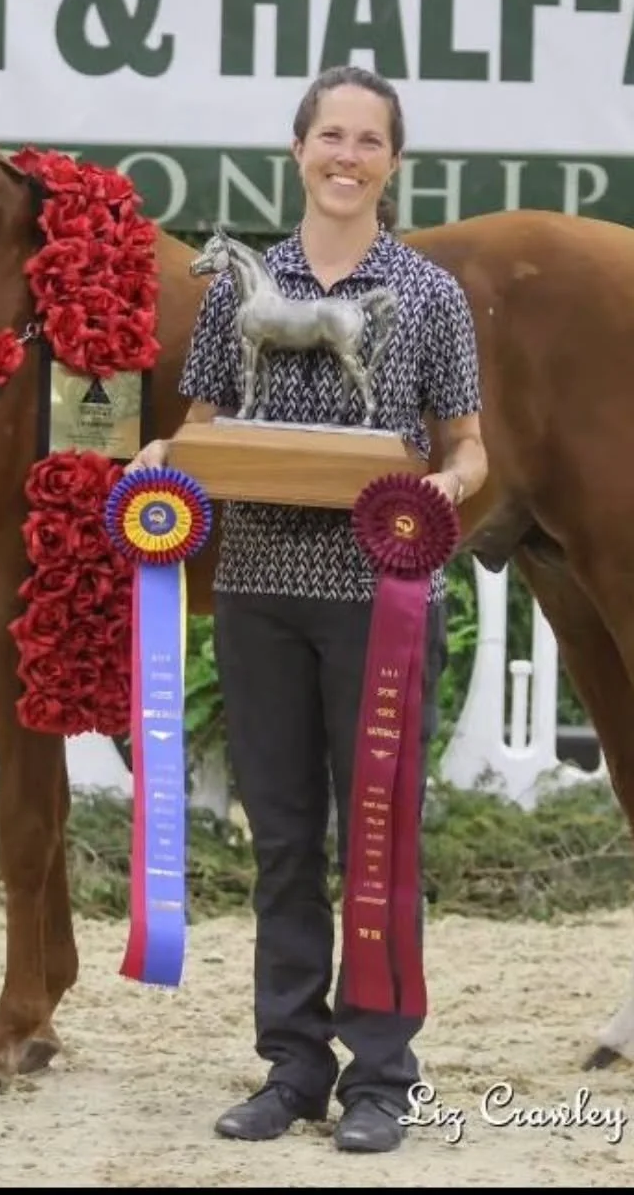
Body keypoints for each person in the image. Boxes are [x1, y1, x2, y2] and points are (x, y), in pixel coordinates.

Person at [130, 65, 487, 1154]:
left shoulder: (428, 295)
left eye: (368, 141)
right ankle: (291, 1062)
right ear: (298, 151)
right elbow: (199, 426)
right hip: (257, 596)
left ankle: (381, 1074)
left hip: (378, 600)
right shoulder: (241, 290)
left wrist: (447, 488)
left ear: (391, 162)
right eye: (329, 136)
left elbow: (470, 444)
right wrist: (159, 458)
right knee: (282, 838)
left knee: (378, 839)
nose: (346, 157)